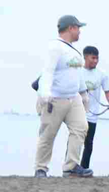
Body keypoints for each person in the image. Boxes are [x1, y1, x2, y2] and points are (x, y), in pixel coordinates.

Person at [34, 15, 92, 178]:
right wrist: (45, 93)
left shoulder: (75, 52)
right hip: (55, 98)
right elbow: (48, 71)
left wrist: (84, 94)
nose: (80, 31)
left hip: (73, 99)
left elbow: (78, 74)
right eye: (78, 28)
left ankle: (71, 166)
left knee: (81, 128)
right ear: (71, 28)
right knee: (48, 134)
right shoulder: (55, 47)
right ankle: (41, 168)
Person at [80, 46, 109, 170]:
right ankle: (70, 167)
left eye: (97, 58)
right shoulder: (78, 72)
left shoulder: (102, 75)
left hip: (93, 115)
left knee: (89, 144)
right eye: (93, 58)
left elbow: (107, 91)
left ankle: (84, 168)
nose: (95, 61)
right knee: (74, 141)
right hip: (77, 113)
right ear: (85, 57)